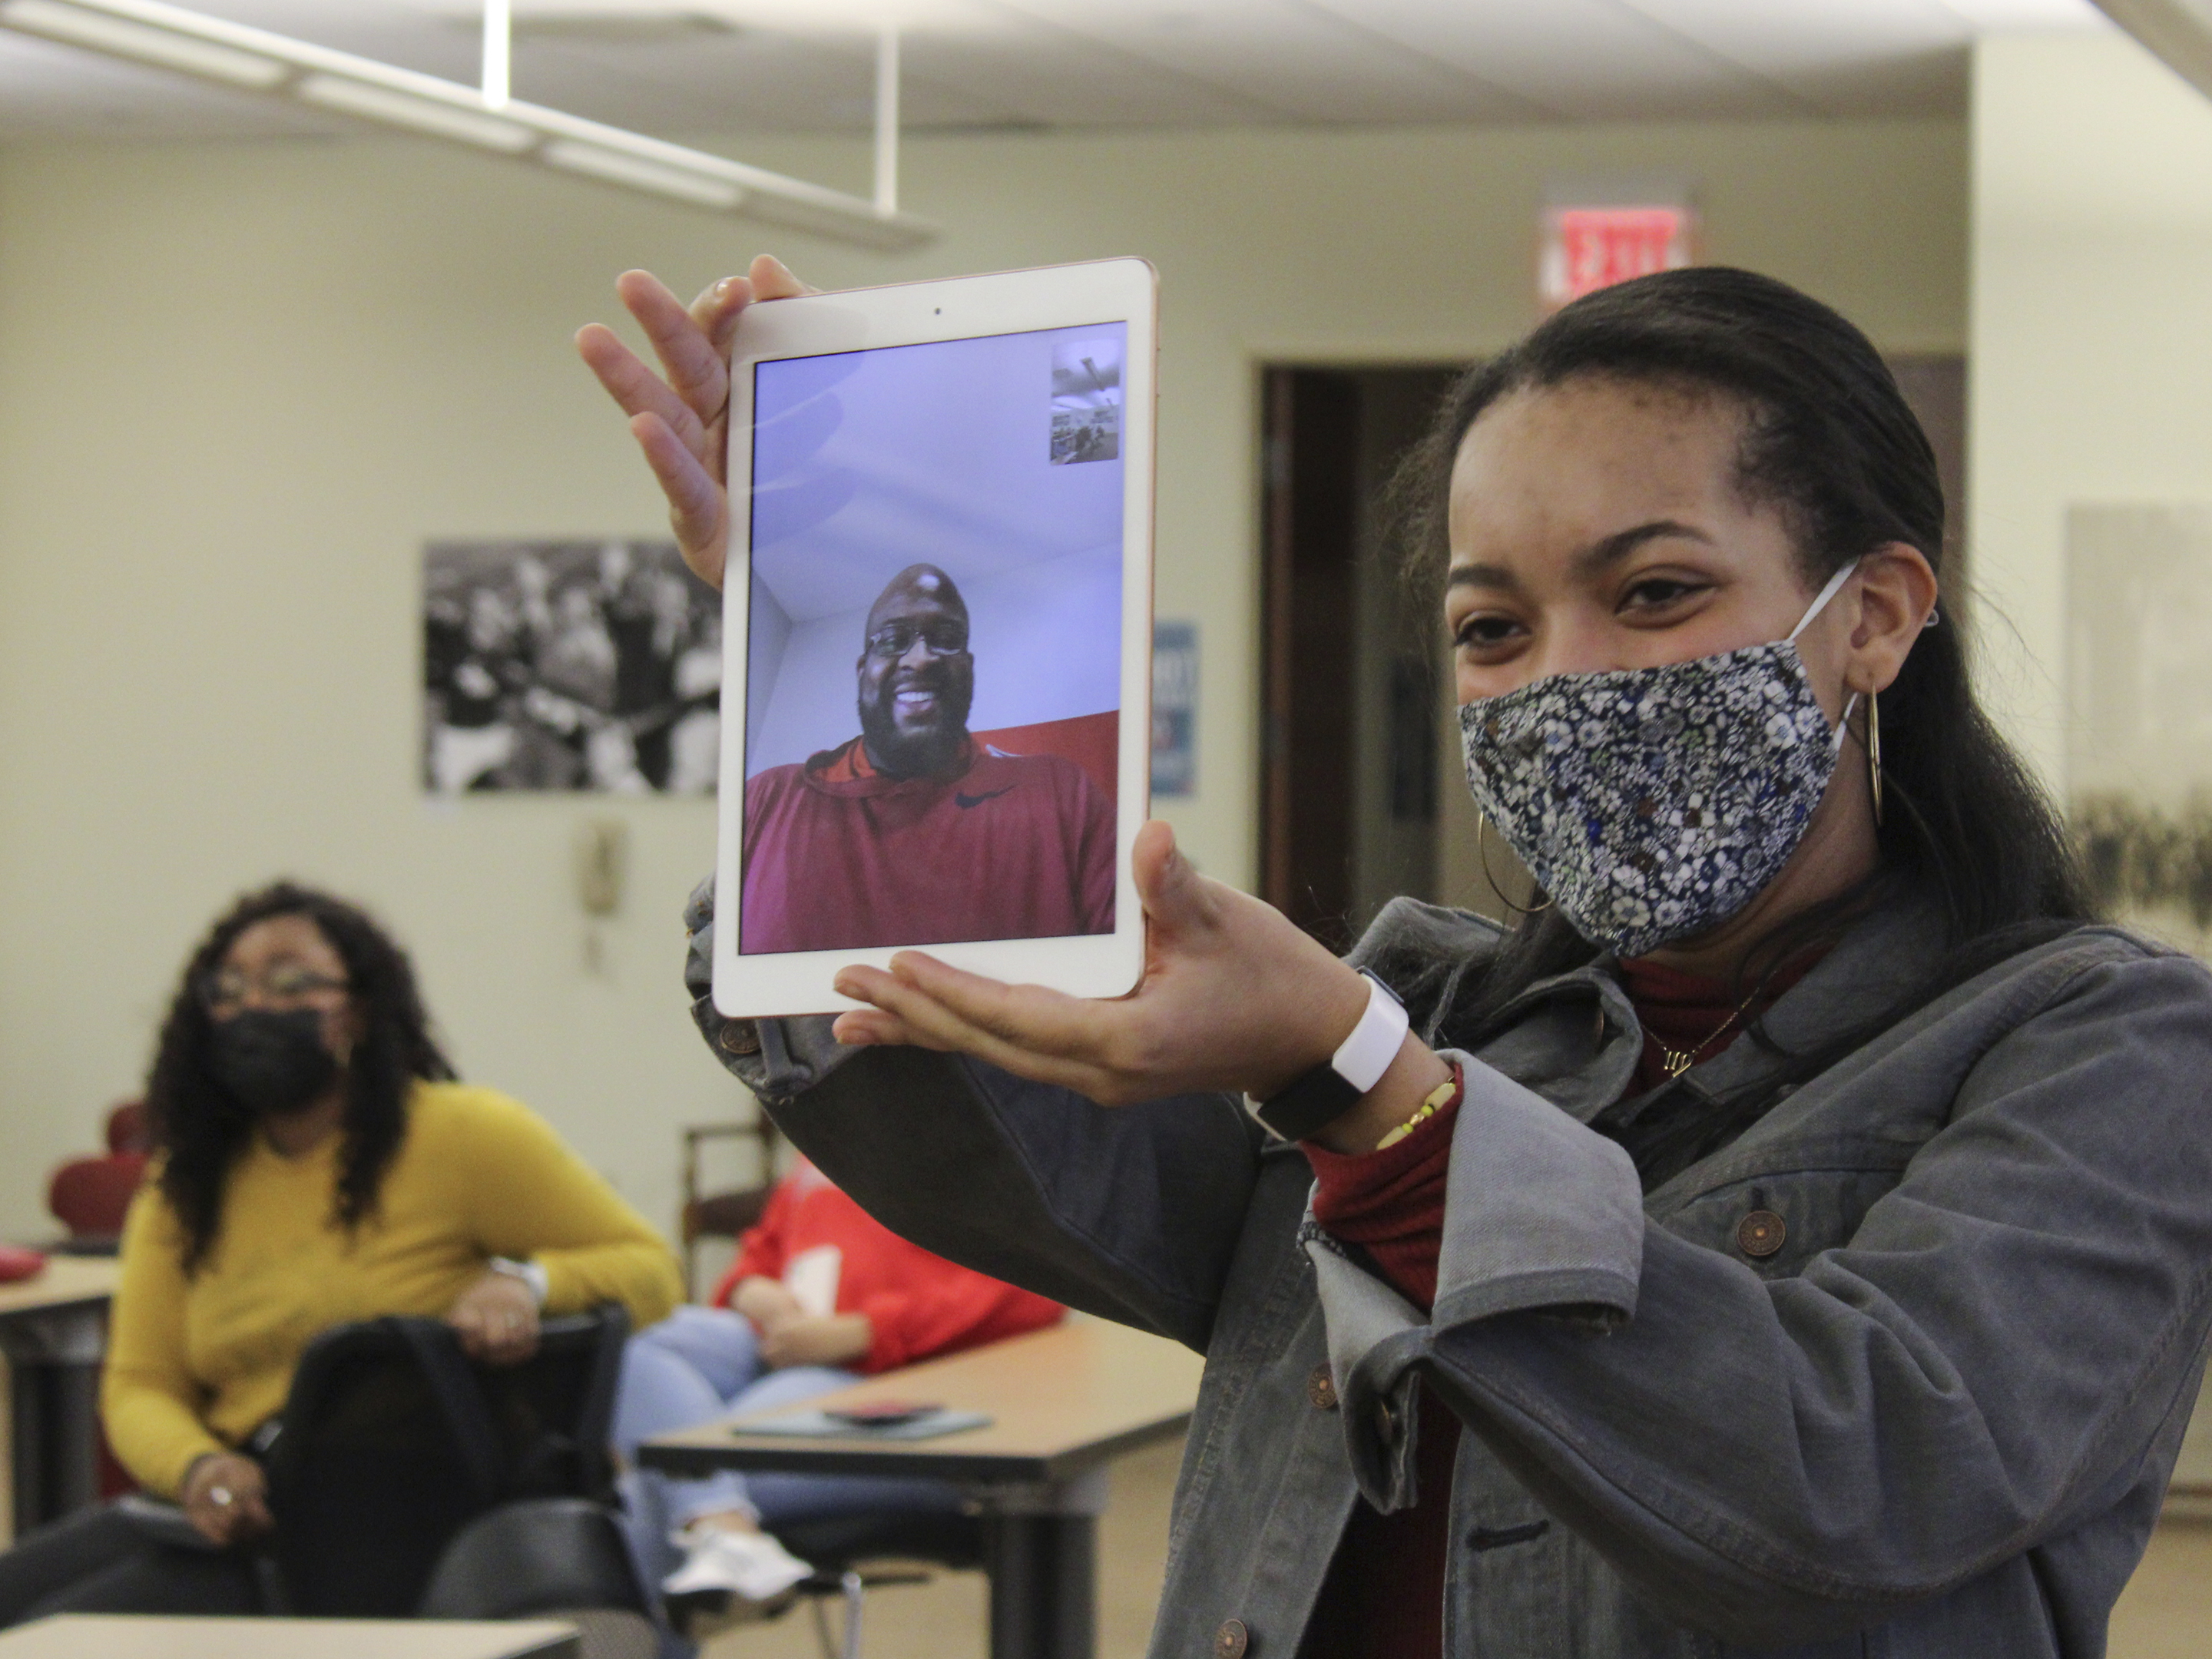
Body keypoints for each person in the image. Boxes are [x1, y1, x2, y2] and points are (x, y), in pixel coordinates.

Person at [585, 257, 2212, 1657]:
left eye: (1654, 593)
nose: (1566, 682)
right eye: (1494, 630)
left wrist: (1366, 1088)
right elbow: (1057, 1180)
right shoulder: (1437, 1004)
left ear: (1873, 617)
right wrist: (824, 681)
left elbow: (1862, 1479)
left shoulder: (2101, 1046)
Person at [0, 883, 683, 1624]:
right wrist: (200, 1470)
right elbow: (138, 1384)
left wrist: (530, 1283)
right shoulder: (188, 1180)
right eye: (227, 990)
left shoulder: (464, 1137)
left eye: (291, 981)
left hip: (402, 1532)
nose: (254, 1005)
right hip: (238, 1514)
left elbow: (652, 1269)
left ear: (356, 1008)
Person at [612, 1155, 1063, 1611]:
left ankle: (720, 1524)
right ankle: (724, 1526)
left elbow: (1037, 1288)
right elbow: (763, 1250)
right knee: (644, 1345)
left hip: (901, 1384)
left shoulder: (990, 1142)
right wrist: (751, 1289)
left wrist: (867, 1332)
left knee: (655, 1484)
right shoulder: (830, 1132)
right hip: (786, 1341)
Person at [736, 561, 1117, 954]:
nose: (920, 658)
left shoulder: (1061, 795)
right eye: (893, 638)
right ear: (863, 671)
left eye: (945, 637)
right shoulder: (766, 800)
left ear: (968, 669)